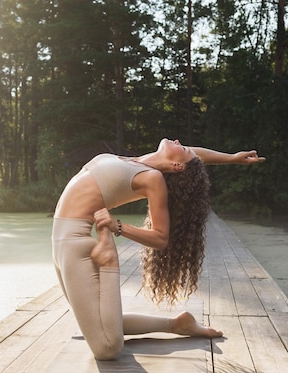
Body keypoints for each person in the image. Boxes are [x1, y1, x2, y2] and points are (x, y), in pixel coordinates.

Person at [52, 138, 265, 360]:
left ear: (177, 166)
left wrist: (117, 226)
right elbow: (195, 156)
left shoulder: (152, 179)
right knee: (94, 320)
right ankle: (177, 324)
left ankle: (109, 262)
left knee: (107, 348)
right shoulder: (140, 162)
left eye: (182, 148)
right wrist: (232, 158)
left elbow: (162, 238)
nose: (179, 141)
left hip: (75, 242)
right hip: (60, 240)